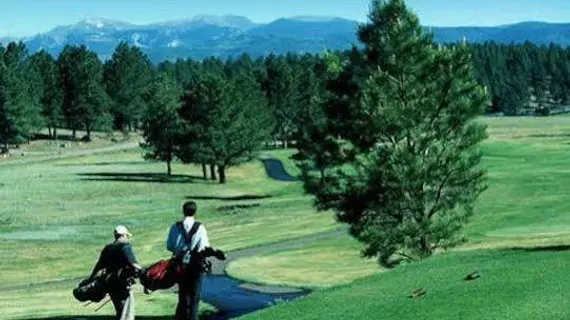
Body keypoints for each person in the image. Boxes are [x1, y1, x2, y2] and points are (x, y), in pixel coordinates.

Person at [166, 201, 224, 320]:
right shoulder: (200, 227)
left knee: (183, 296)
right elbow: (204, 247)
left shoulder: (175, 227)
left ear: (183, 211)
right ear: (195, 212)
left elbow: (169, 246)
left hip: (180, 265)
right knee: (194, 297)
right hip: (196, 265)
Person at [89, 225, 142, 320]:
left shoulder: (108, 248)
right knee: (127, 312)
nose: (127, 238)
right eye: (127, 236)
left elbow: (99, 265)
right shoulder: (125, 247)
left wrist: (91, 278)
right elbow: (133, 263)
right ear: (124, 235)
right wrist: (144, 272)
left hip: (110, 283)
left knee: (120, 310)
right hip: (122, 283)